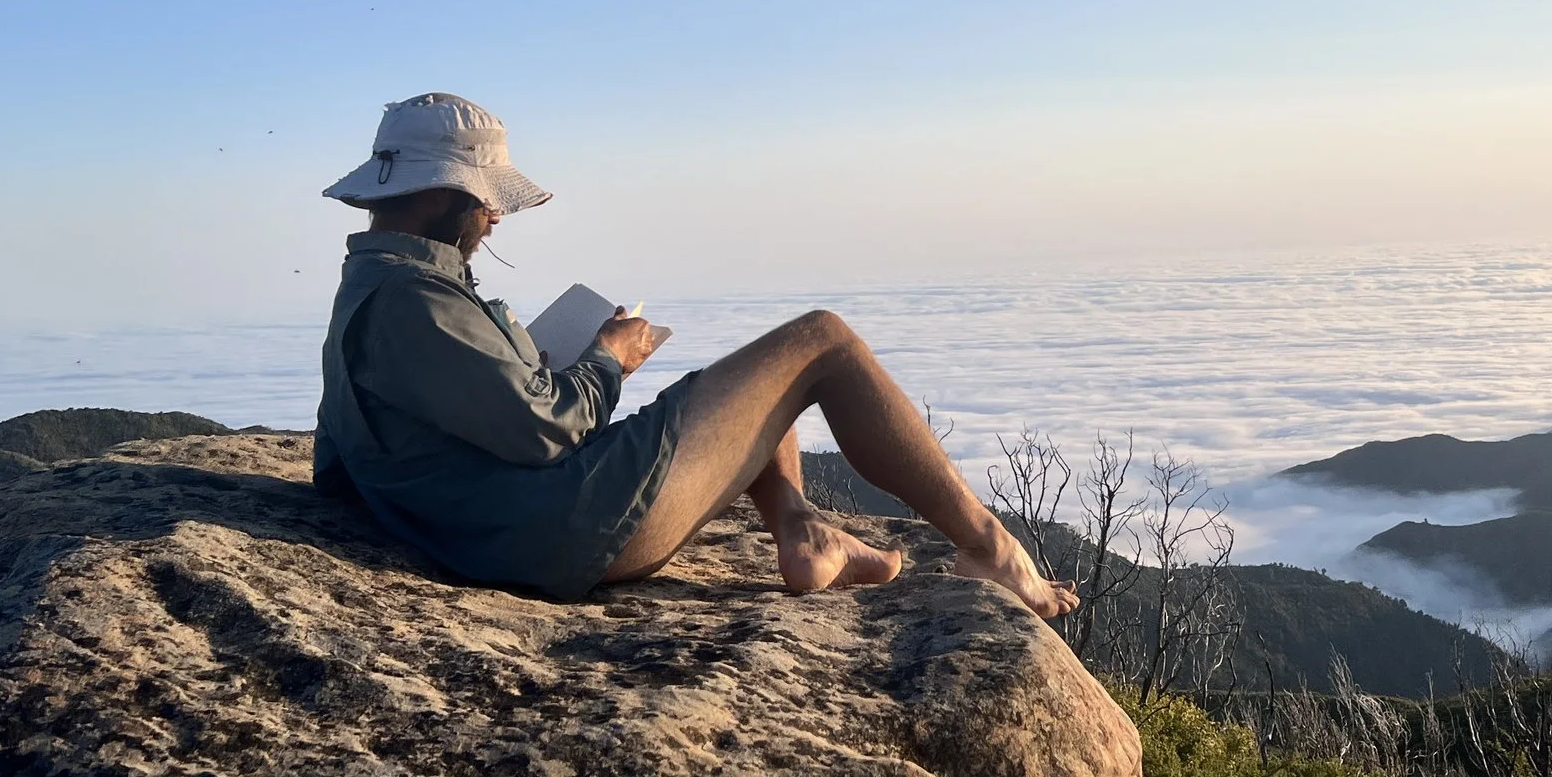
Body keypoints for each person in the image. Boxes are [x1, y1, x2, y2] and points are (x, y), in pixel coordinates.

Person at [312, 92, 1076, 615]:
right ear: (442, 190)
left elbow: (341, 458)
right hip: (566, 526)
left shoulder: (375, 289)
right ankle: (993, 549)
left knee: (746, 384)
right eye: (487, 200)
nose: (495, 219)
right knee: (824, 341)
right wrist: (606, 358)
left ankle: (801, 527)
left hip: (521, 522)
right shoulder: (410, 301)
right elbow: (544, 427)